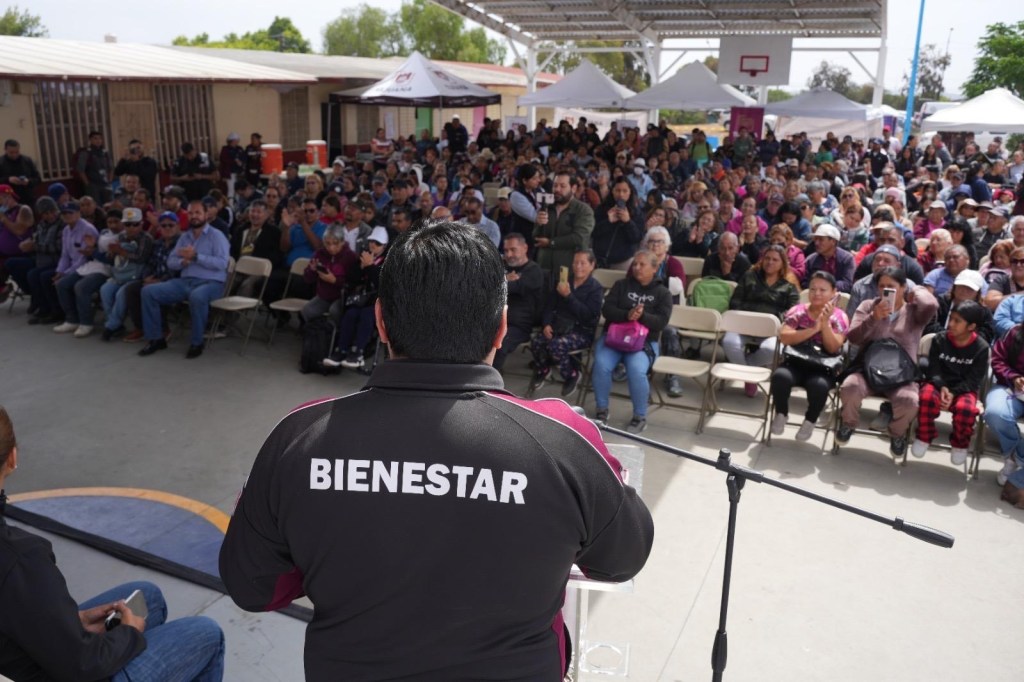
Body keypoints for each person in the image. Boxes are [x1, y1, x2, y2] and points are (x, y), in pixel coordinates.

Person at [220, 222, 653, 680]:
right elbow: (621, 559)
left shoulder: (299, 436)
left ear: (380, 321)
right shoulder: (563, 439)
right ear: (502, 327)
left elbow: (253, 585)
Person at [0, 406, 226, 681]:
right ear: (12, 457)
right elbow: (81, 666)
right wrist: (128, 635)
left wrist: (71, 622)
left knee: (147, 596)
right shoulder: (21, 558)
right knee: (205, 634)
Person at [837, 267, 938, 457]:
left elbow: (931, 304)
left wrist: (915, 290)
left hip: (901, 373)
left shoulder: (914, 311)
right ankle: (848, 423)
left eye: (891, 286)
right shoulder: (869, 306)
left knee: (910, 400)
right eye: (881, 286)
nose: (885, 290)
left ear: (903, 287)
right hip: (868, 369)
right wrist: (873, 318)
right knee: (850, 386)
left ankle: (897, 434)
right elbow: (853, 338)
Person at [590, 250, 673, 433]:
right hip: (615, 339)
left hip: (643, 344)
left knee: (636, 370)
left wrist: (642, 316)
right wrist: (627, 315)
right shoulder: (621, 285)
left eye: (642, 264)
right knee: (601, 365)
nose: (636, 267)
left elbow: (661, 322)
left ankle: (639, 416)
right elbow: (607, 310)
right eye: (635, 264)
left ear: (654, 268)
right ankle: (601, 410)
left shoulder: (663, 293)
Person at [138, 199, 230, 359]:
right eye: (191, 213)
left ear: (206, 215)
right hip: (185, 281)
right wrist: (182, 262)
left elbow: (223, 263)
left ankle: (197, 343)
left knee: (197, 296)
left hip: (211, 283)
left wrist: (196, 257)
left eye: (198, 212)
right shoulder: (185, 237)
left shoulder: (217, 235)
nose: (194, 216)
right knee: (148, 292)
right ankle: (156, 339)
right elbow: (171, 262)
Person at [770, 271, 849, 441]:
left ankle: (810, 420)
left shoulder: (840, 317)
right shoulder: (798, 311)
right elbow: (785, 337)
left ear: (833, 292)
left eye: (823, 290)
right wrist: (813, 329)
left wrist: (825, 324)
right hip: (796, 361)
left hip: (823, 366)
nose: (816, 293)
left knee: (819, 386)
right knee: (780, 376)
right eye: (813, 289)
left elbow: (833, 347)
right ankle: (781, 413)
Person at [910, 300, 989, 465]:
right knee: (926, 397)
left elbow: (974, 380)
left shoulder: (981, 348)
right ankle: (924, 435)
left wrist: (954, 392)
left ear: (971, 326)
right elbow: (933, 369)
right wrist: (942, 386)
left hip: (964, 389)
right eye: (951, 318)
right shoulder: (940, 339)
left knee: (966, 409)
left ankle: (960, 443)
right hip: (938, 383)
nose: (951, 324)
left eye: (957, 321)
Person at [724, 245, 800, 396]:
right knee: (729, 342)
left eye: (775, 260)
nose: (770, 262)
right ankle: (750, 379)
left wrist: (770, 319)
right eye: (767, 258)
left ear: (782, 263)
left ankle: (746, 369)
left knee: (773, 350)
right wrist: (751, 315)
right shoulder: (749, 276)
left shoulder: (789, 285)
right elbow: (735, 302)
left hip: (771, 331)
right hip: (744, 326)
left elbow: (793, 313)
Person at [529, 249, 603, 396]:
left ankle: (571, 374)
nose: (578, 266)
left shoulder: (595, 288)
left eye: (583, 263)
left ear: (592, 265)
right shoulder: (564, 282)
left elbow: (588, 315)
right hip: (559, 327)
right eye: (575, 262)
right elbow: (549, 306)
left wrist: (569, 296)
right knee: (536, 342)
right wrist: (546, 324)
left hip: (581, 331)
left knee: (556, 345)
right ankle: (544, 369)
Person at [493, 232, 544, 371]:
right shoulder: (502, 266)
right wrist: (505, 280)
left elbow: (510, 287)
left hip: (519, 326)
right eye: (506, 251)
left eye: (513, 250)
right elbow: (484, 283)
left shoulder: (534, 271)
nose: (509, 254)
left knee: (499, 345)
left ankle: (490, 381)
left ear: (525, 248)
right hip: (496, 321)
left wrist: (502, 281)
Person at [985, 323, 1024, 500]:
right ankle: (1017, 456)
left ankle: (1015, 460)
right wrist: (1014, 377)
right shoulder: (1015, 332)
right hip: (1010, 388)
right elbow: (997, 360)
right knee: (995, 413)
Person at [533, 170, 595, 277]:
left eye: (562, 186)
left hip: (570, 270)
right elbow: (536, 237)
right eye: (555, 185)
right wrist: (538, 224)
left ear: (573, 188)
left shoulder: (583, 210)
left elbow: (579, 238)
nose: (557, 189)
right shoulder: (546, 207)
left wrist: (551, 242)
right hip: (544, 268)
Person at [300, 224, 357, 324]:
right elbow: (307, 279)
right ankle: (316, 331)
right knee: (307, 311)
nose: (331, 248)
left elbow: (353, 283)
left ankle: (335, 332)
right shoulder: (320, 254)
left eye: (335, 243)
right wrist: (312, 270)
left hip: (342, 297)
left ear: (342, 242)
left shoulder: (350, 257)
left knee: (334, 311)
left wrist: (335, 280)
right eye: (327, 243)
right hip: (324, 296)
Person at [591, 178, 645, 270]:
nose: (621, 194)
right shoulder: (601, 209)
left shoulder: (637, 213)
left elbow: (637, 238)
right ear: (612, 191)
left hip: (623, 261)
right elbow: (593, 232)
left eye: (625, 191)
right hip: (599, 259)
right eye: (618, 190)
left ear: (630, 192)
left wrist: (628, 222)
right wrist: (608, 222)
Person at [803, 224, 855, 292]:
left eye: (821, 239)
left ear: (833, 241)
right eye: (816, 239)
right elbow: (805, 282)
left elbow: (847, 284)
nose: (816, 243)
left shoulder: (847, 259)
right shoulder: (811, 260)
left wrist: (826, 286)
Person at [0, 139, 41, 206]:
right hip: (8, 201)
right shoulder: (1, 163)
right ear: (5, 150)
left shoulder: (27, 161)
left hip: (28, 198)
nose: (14, 155)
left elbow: (38, 179)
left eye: (17, 152)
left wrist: (28, 181)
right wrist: (8, 179)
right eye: (11, 152)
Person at [76, 130, 113, 203]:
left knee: (108, 204)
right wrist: (87, 184)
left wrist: (109, 182)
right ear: (90, 140)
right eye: (95, 138)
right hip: (93, 184)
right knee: (95, 205)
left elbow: (111, 168)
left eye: (100, 138)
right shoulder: (85, 153)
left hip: (105, 183)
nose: (98, 140)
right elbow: (80, 170)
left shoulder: (105, 153)